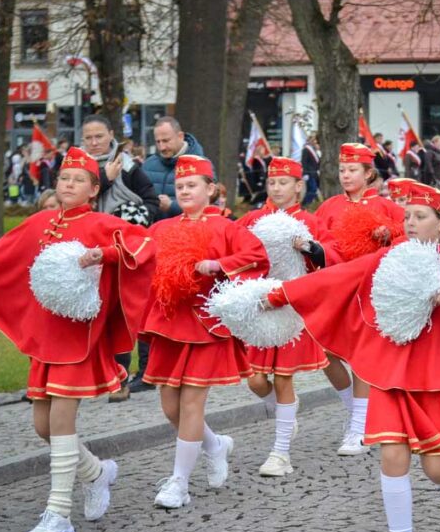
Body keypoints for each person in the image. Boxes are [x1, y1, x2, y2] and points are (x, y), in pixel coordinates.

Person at [263, 186, 440, 532]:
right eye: (407, 215)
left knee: (436, 467)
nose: (410, 222)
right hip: (391, 371)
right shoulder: (387, 259)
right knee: (392, 456)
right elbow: (338, 277)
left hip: (436, 376)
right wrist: (280, 295)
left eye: (420, 216)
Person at [0, 147, 154, 532]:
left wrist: (102, 254)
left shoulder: (103, 222)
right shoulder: (40, 221)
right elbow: (0, 257)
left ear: (94, 189)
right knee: (44, 427)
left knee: (61, 423)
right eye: (64, 178)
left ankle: (58, 515)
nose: (69, 185)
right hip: (46, 338)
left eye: (79, 180)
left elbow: (144, 246)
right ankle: (96, 472)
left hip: (79, 338)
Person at [141, 154, 269, 509]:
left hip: (208, 324)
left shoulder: (226, 227)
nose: (184, 190)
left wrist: (221, 264)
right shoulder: (164, 227)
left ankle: (179, 483)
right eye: (179, 186)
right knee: (170, 405)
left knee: (192, 400)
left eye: (192, 185)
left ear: (210, 189)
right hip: (170, 324)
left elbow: (257, 256)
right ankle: (215, 446)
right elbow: (138, 255)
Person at [235, 157, 339, 476]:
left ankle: (281, 454)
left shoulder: (309, 221)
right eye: (272, 182)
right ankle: (285, 413)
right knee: (254, 379)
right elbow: (237, 252)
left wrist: (311, 249)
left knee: (283, 378)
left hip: (293, 308)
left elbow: (332, 256)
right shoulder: (253, 218)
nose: (276, 188)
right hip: (261, 306)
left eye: (283, 183)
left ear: (298, 186)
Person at [315, 143, 405, 455]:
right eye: (342, 170)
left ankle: (360, 427)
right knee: (325, 350)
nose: (346, 176)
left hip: (372, 288)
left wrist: (388, 232)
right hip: (337, 287)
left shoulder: (385, 206)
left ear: (369, 174)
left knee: (363, 358)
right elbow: (320, 240)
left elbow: (408, 233)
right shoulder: (329, 207)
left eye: (353, 170)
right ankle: (355, 412)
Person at [80, 114, 160, 401]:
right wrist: (104, 179)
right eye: (88, 137)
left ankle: (120, 378)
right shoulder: (77, 165)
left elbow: (151, 200)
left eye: (99, 136)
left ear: (111, 134)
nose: (94, 142)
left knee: (118, 312)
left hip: (118, 250)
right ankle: (86, 377)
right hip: (85, 248)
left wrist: (132, 219)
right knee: (87, 314)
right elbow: (71, 196)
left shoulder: (128, 165)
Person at [142, 116, 205, 219]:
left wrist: (172, 206)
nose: (162, 147)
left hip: (189, 231)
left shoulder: (201, 164)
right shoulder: (148, 166)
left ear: (180, 136)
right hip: (154, 232)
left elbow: (211, 205)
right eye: (158, 142)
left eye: (166, 141)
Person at [301, 135, 321, 206]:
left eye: (315, 140)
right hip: (309, 173)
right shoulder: (306, 149)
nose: (314, 141)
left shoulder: (314, 150)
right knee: (312, 189)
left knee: (315, 190)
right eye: (312, 140)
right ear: (309, 140)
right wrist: (305, 173)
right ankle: (304, 204)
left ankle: (315, 203)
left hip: (315, 173)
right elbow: (304, 162)